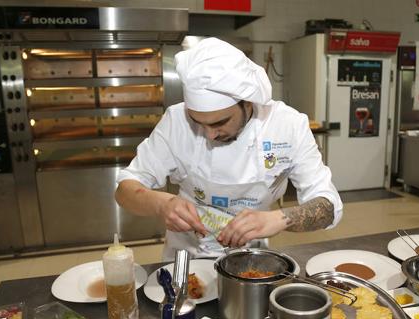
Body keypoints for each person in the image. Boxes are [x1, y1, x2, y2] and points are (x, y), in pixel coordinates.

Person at [115, 38, 343, 260]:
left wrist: (278, 219)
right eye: (198, 122)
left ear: (247, 102)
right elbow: (125, 190)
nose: (209, 134)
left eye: (219, 123)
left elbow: (328, 205)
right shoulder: (176, 121)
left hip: (251, 259)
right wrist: (162, 204)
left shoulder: (288, 125)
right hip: (185, 260)